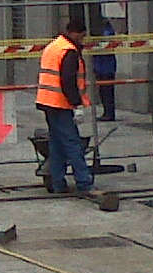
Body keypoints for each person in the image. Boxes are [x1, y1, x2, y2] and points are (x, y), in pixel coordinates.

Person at [35, 16, 98, 197]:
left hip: (47, 102)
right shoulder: (68, 51)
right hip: (59, 104)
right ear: (75, 33)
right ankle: (84, 183)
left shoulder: (54, 46)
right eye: (82, 36)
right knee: (73, 144)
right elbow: (68, 81)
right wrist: (76, 105)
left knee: (57, 145)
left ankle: (58, 183)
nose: (83, 40)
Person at [93, 17, 118, 121]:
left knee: (107, 91)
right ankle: (106, 112)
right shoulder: (101, 33)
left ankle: (109, 113)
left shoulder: (107, 32)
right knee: (103, 91)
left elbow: (105, 47)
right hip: (101, 66)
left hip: (106, 67)